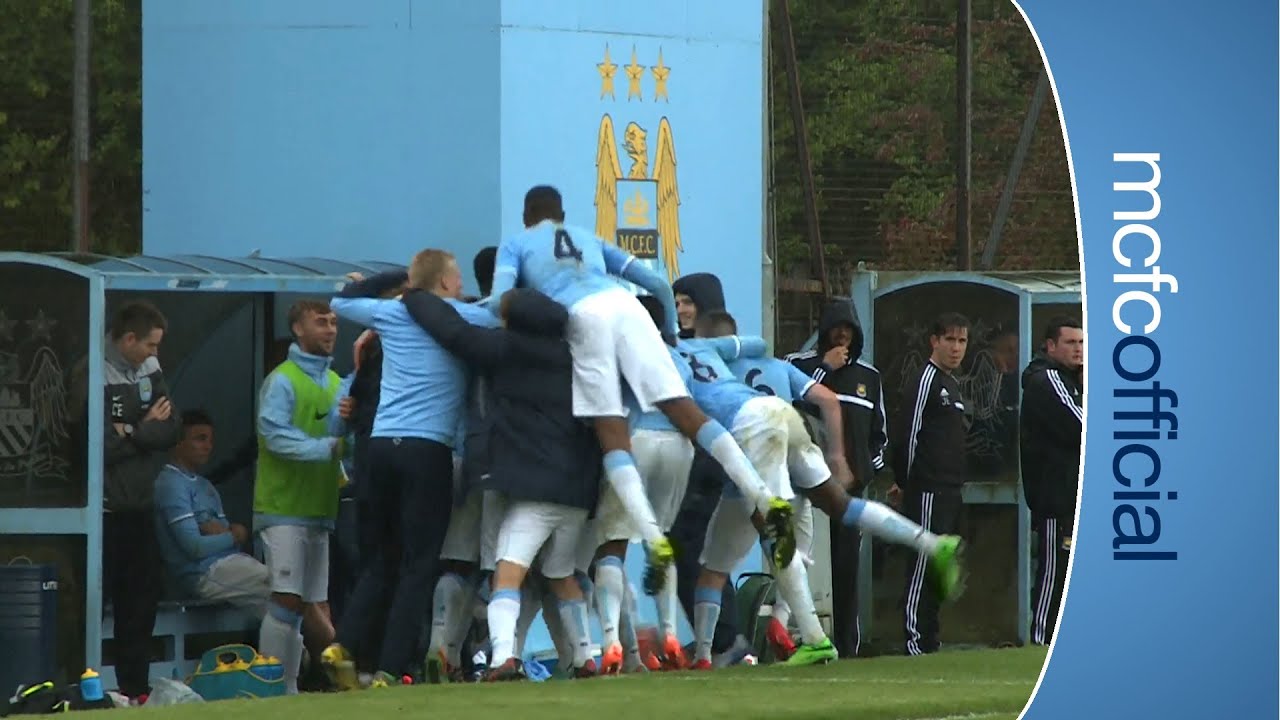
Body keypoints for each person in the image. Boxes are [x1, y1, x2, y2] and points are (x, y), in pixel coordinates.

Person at [488, 185, 795, 587]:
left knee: (611, 428)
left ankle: (652, 536)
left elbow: (499, 301)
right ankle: (763, 496)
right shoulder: (589, 238)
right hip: (627, 306)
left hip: (585, 318)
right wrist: (667, 332)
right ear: (561, 214)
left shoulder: (515, 244)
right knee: (685, 410)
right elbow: (658, 284)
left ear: (527, 216)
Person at [692, 311, 962, 668]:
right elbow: (828, 400)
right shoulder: (775, 363)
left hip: (756, 447)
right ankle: (930, 542)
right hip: (792, 429)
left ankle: (806, 639)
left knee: (765, 541)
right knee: (841, 506)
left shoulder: (705, 370)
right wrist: (837, 455)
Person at [400, 286, 603, 681]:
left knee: (506, 573)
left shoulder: (506, 349)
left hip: (532, 488)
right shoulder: (573, 357)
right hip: (577, 489)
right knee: (561, 575)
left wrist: (415, 295)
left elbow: (452, 331)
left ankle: (502, 659)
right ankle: (584, 658)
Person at [325, 251, 498, 687]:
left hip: (380, 447)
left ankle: (342, 643)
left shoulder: (392, 312)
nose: (460, 286)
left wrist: (398, 277)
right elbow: (503, 317)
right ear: (443, 284)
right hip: (427, 450)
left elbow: (341, 302)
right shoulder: (462, 317)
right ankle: (389, 668)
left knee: (381, 559)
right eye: (456, 279)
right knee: (419, 565)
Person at [68, 300, 182, 700]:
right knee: (91, 606)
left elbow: (171, 429)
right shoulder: (89, 373)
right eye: (150, 346)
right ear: (128, 339)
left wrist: (129, 432)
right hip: (101, 511)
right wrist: (141, 431)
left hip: (140, 505)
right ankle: (86, 689)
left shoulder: (149, 370)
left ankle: (136, 690)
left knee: (140, 605)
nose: (156, 355)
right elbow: (94, 448)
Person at [588, 294, 696, 674]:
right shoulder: (680, 354)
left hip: (637, 440)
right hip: (681, 445)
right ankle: (669, 634)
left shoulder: (621, 348)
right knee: (659, 538)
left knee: (611, 545)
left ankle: (610, 641)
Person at [785, 299, 888, 658]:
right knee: (801, 562)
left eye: (849, 328)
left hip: (849, 492)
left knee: (846, 569)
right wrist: (823, 370)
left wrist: (864, 471)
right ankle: (801, 639)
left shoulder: (870, 377)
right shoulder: (798, 365)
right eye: (835, 326)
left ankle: (847, 647)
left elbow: (880, 437)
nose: (842, 333)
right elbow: (786, 404)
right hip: (805, 487)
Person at [253, 299, 346, 693]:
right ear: (297, 329)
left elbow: (347, 445)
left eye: (334, 322)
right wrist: (325, 449)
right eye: (320, 322)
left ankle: (294, 687)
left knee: (312, 602)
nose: (330, 329)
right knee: (287, 601)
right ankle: (275, 687)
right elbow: (273, 434)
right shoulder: (283, 380)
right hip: (283, 507)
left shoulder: (339, 383)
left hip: (320, 509)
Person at [891, 312, 972, 656]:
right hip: (927, 488)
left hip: (951, 488)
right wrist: (906, 481)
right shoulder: (926, 380)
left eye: (962, 341)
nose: (956, 348)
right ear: (934, 341)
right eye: (950, 340)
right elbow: (908, 434)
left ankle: (930, 636)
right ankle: (914, 640)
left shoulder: (952, 384)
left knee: (942, 567)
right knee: (923, 562)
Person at [1019, 315, 1083, 646]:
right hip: (1055, 494)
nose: (1079, 349)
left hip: (1073, 493)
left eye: (1082, 342)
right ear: (1051, 346)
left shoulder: (1073, 381)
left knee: (1070, 572)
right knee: (1053, 571)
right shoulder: (1047, 380)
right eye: (1071, 343)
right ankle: (1042, 638)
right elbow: (1082, 425)